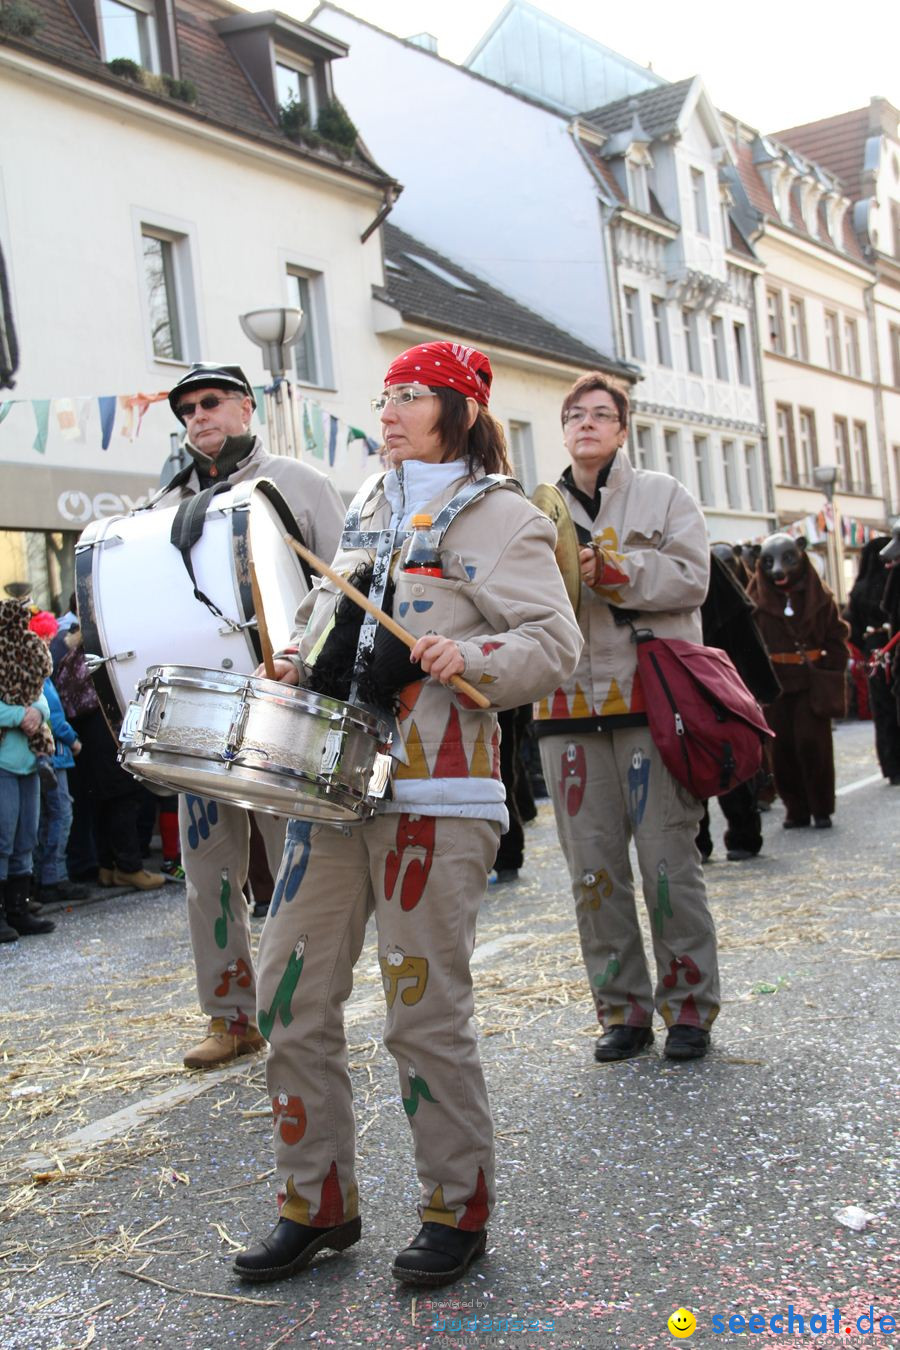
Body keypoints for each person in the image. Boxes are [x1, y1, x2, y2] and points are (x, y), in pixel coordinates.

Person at [232, 341, 581, 1289]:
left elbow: (555, 643)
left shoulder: (505, 517)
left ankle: (454, 1209)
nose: (387, 411)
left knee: (423, 1016)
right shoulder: (370, 503)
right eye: (384, 395)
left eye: (412, 396)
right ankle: (317, 1203)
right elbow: (333, 613)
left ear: (459, 410)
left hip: (440, 793)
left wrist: (472, 659)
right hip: (331, 787)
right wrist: (298, 657)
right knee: (288, 998)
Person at [152, 363, 345, 1070]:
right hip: (198, 710)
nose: (197, 416)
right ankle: (231, 1017)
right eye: (186, 410)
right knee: (208, 873)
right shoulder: (167, 499)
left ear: (243, 407)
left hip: (280, 700)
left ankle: (296, 1007)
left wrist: (316, 671)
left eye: (209, 403)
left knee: (293, 862)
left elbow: (343, 583)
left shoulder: (298, 481)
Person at [533, 372, 719, 1063]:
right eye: (574, 414)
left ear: (622, 428)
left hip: (649, 702)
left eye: (600, 414)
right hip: (564, 712)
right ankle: (623, 1013)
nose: (585, 424)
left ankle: (691, 1009)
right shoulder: (537, 509)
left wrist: (613, 570)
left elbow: (692, 577)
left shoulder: (664, 494)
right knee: (593, 871)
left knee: (669, 861)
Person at [747, 534, 850, 829]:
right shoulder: (756, 599)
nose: (778, 571)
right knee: (782, 750)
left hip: (810, 680)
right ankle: (796, 808)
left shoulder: (819, 597)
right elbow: (749, 641)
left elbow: (837, 634)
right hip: (776, 683)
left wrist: (831, 669)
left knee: (812, 744)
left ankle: (821, 807)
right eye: (769, 563)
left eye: (787, 561)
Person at [55, 628, 166, 891]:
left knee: (104, 804)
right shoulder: (102, 655)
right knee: (123, 800)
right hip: (105, 732)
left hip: (89, 738)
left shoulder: (73, 658)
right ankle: (129, 868)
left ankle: (108, 867)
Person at [694, 545, 780, 862]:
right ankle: (700, 840)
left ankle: (740, 835)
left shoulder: (717, 585)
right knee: (688, 766)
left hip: (722, 688)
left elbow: (745, 637)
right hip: (687, 688)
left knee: (729, 763)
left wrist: (760, 688)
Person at [0, 599, 56, 939]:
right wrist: (20, 716)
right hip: (4, 762)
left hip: (29, 763)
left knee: (25, 839)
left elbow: (43, 696)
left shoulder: (29, 651)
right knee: (2, 839)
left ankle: (19, 909)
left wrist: (38, 712)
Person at [27, 611, 89, 904]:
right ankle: (53, 877)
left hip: (52, 755)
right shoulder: (40, 676)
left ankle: (45, 876)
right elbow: (52, 716)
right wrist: (73, 740)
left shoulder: (39, 672)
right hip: (56, 755)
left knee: (50, 815)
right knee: (59, 814)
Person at [848, 536, 900, 785]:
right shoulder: (891, 581)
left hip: (874, 651)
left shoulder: (860, 589)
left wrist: (868, 646)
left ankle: (891, 765)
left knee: (883, 710)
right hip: (889, 647)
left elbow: (852, 628)